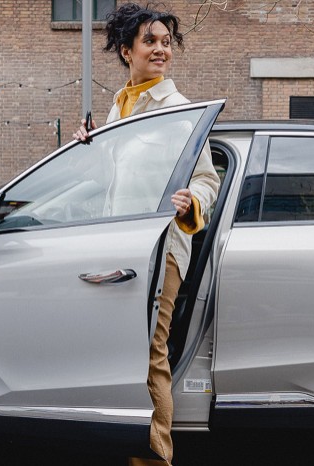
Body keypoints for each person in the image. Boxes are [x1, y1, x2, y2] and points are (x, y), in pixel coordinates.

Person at [74, 3, 220, 465]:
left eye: (166, 42)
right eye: (150, 41)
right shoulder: (120, 107)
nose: (161, 50)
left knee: (150, 355)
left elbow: (207, 179)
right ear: (126, 51)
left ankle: (156, 458)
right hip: (121, 249)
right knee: (121, 355)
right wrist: (88, 147)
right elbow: (110, 181)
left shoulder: (178, 111)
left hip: (161, 250)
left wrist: (192, 201)